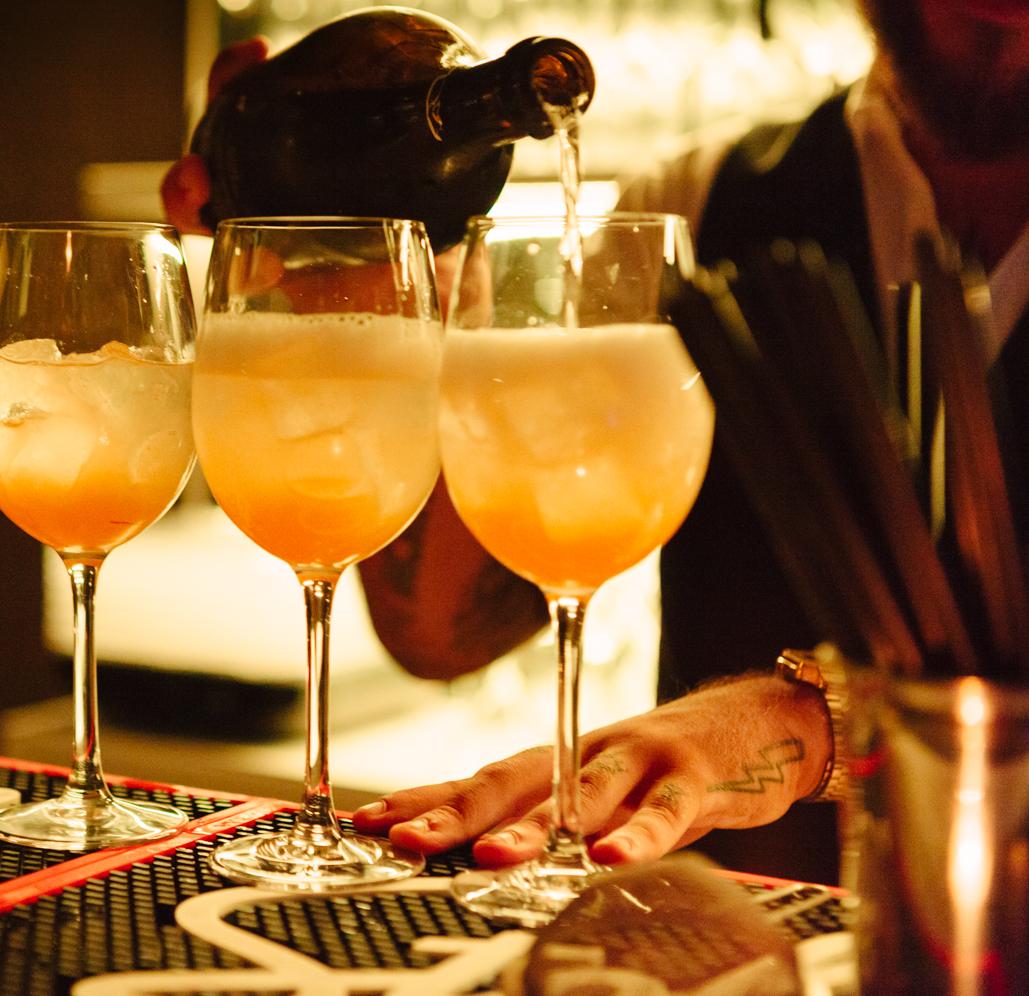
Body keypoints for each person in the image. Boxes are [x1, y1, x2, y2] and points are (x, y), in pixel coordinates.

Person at [162, 0, 1029, 874]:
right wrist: (364, 276)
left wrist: (810, 716)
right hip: (715, 931)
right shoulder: (695, 200)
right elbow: (440, 628)